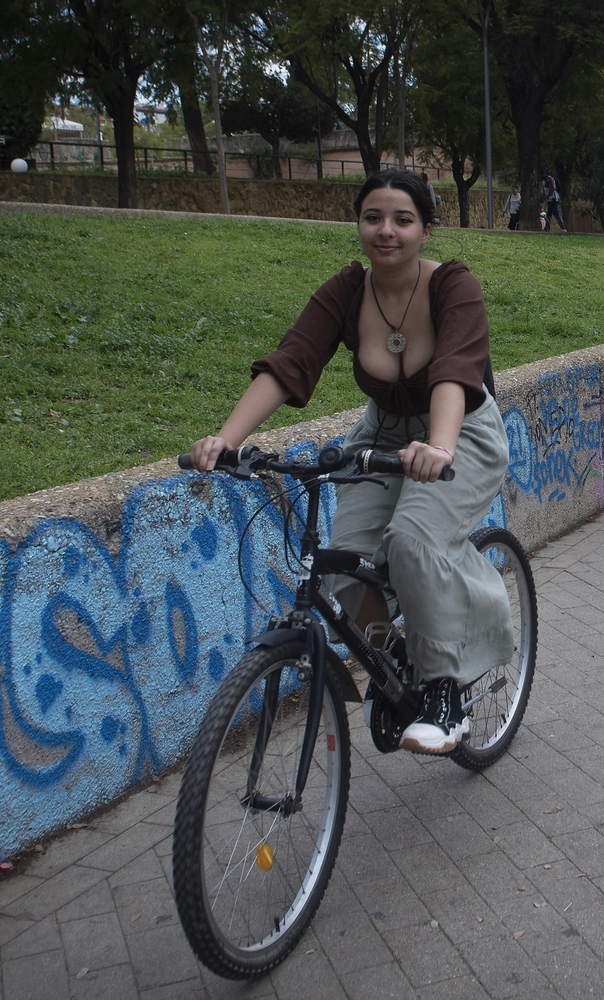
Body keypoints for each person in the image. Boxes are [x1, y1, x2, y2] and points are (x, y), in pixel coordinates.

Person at [186, 168, 513, 755]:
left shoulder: (452, 286)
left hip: (459, 428)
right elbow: (291, 363)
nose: (385, 231)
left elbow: (454, 375)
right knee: (339, 565)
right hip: (383, 432)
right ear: (358, 223)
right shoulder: (345, 291)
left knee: (415, 538)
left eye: (402, 220)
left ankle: (443, 688)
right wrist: (225, 440)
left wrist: (438, 448)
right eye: (372, 218)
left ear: (426, 230)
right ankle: (396, 659)